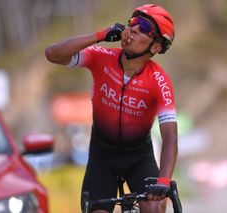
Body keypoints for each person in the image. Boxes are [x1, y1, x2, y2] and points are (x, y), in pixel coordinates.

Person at [45, 4, 178, 213]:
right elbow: (53, 54)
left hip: (139, 158)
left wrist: (163, 180)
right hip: (102, 156)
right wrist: (100, 34)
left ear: (155, 47)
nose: (134, 28)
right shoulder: (101, 57)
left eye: (144, 27)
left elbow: (170, 137)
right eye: (133, 22)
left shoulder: (159, 81)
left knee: (154, 207)